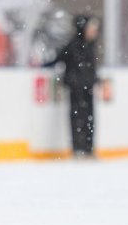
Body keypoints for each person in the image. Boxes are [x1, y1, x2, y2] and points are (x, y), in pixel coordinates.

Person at [43, 14, 101, 158]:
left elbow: (91, 68)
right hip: (76, 88)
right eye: (91, 28)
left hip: (87, 88)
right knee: (77, 118)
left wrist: (95, 80)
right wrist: (41, 66)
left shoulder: (90, 46)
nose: (94, 32)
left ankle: (88, 148)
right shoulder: (73, 45)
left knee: (88, 118)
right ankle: (78, 148)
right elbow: (58, 59)